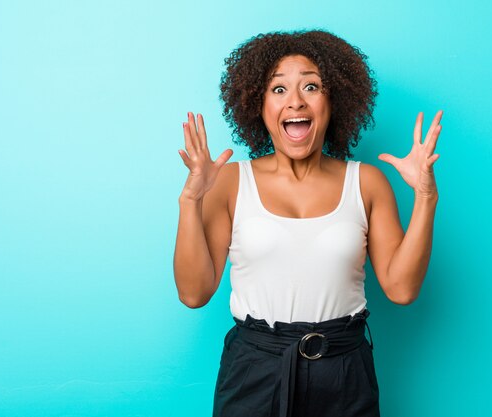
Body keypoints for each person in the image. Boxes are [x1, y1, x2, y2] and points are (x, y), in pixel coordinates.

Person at [173, 29, 443, 417]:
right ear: (258, 104)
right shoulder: (231, 181)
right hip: (254, 368)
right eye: (278, 89)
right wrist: (191, 200)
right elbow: (193, 294)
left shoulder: (366, 182)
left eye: (311, 87)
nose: (295, 101)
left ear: (333, 102)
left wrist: (425, 197)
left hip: (344, 370)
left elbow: (401, 289)